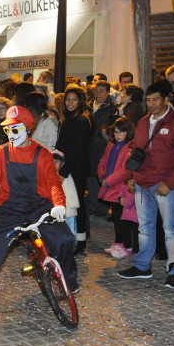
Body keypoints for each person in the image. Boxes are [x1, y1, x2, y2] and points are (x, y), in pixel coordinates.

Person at [0, 105, 77, 318]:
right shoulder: (2, 152)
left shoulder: (42, 154)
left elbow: (54, 184)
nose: (11, 134)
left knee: (65, 239)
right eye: (8, 130)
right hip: (11, 210)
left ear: (27, 129)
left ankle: (68, 278)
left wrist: (58, 205)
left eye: (15, 129)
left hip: (40, 207)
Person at [118, 81, 174, 288]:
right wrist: (130, 177)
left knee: (170, 230)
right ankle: (143, 266)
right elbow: (136, 152)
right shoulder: (143, 122)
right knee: (144, 228)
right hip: (142, 183)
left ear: (166, 99)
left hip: (165, 185)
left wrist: (170, 183)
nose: (151, 103)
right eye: (148, 99)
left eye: (155, 99)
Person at [55, 85, 93, 254]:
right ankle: (72, 237)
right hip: (67, 166)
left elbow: (77, 149)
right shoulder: (66, 120)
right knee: (70, 202)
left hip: (75, 168)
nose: (70, 103)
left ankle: (81, 240)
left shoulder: (82, 120)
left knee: (77, 203)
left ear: (80, 102)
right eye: (68, 99)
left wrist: (63, 172)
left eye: (74, 99)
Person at [98, 117, 135, 258]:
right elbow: (103, 161)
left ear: (128, 132)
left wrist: (107, 181)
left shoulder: (130, 146)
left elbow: (124, 169)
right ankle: (119, 242)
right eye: (116, 132)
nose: (118, 135)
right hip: (110, 185)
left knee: (123, 218)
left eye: (122, 132)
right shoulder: (111, 145)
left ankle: (128, 245)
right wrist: (101, 176)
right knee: (116, 216)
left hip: (120, 187)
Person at [86, 80, 117, 219]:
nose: (98, 94)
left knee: (101, 175)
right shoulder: (87, 106)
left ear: (108, 93)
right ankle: (93, 204)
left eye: (101, 91)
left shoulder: (112, 108)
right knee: (90, 176)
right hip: (88, 146)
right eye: (96, 91)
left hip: (102, 146)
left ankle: (103, 206)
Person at [52, 150, 79, 240]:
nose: (53, 164)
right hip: (54, 210)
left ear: (62, 164)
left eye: (56, 162)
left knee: (69, 231)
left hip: (67, 211)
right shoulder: (48, 176)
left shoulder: (65, 178)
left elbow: (71, 194)